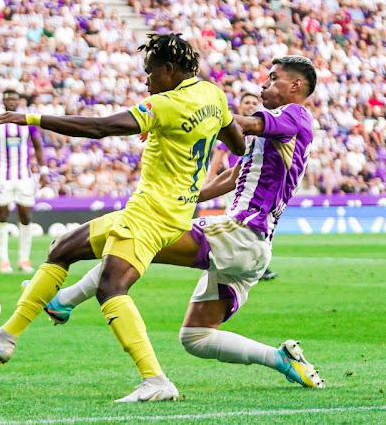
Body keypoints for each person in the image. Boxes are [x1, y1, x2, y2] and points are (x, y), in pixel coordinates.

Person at [0, 33, 246, 403]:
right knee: (62, 248)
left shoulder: (165, 105)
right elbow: (237, 143)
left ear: (169, 70)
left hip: (150, 216)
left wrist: (30, 117)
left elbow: (99, 128)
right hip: (171, 213)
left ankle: (155, 380)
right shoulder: (213, 95)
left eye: (150, 72)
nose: (146, 80)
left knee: (110, 288)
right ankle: (4, 337)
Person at [38, 56, 325, 390]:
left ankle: (63, 301)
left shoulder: (295, 114)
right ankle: (282, 360)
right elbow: (234, 175)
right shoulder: (281, 134)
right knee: (196, 337)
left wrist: (173, 120)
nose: (263, 84)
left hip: (241, 234)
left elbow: (240, 125)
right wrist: (190, 198)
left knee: (141, 236)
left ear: (296, 86)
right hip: (252, 247)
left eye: (273, 78)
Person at [208, 92, 278, 281]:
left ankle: (246, 262)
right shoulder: (235, 131)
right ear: (239, 107)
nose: (250, 105)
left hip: (253, 186)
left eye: (254, 102)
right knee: (238, 222)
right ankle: (237, 262)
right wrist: (209, 183)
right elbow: (217, 157)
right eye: (246, 102)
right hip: (236, 185)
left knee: (248, 224)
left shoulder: (261, 133)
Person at [0, 90, 47, 274]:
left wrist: (44, 171)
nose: (10, 101)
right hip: (2, 178)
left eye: (14, 98)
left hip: (24, 177)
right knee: (3, 216)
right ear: (3, 101)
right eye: (7, 98)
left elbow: (38, 147)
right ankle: (4, 260)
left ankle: (24, 259)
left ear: (19, 101)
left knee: (25, 216)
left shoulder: (28, 122)